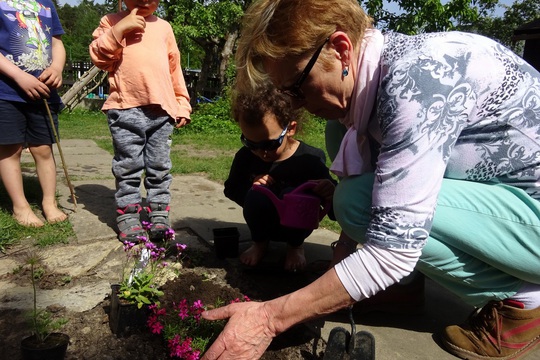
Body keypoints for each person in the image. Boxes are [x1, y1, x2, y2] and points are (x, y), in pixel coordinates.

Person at [200, 0, 540, 359]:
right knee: (341, 140)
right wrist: (345, 263)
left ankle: (524, 301)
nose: (294, 105)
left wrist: (268, 318)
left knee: (358, 201)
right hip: (507, 203)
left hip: (531, 210)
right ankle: (405, 289)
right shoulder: (373, 81)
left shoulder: (419, 82)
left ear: (341, 49)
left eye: (297, 86)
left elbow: (393, 248)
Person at [89, 0, 191, 242]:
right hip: (125, 108)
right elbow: (100, 58)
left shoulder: (164, 27)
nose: (145, 1)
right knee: (128, 166)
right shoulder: (111, 22)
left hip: (161, 110)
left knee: (160, 167)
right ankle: (129, 214)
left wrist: (182, 102)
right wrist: (119, 30)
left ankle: (159, 213)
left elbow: (174, 68)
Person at [224, 83, 337, 272]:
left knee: (291, 194)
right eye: (249, 143)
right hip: (262, 225)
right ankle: (260, 243)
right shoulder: (246, 156)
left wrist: (330, 190)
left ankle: (295, 246)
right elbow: (231, 189)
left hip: (297, 227)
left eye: (270, 144)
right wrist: (252, 188)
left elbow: (333, 204)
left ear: (291, 129)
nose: (261, 153)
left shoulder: (309, 158)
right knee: (257, 194)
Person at [0, 0, 68, 227]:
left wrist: (57, 68)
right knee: (10, 148)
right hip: (6, 91)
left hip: (42, 92)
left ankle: (49, 203)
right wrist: (19, 76)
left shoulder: (46, 3)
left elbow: (57, 43)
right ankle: (21, 207)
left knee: (43, 148)